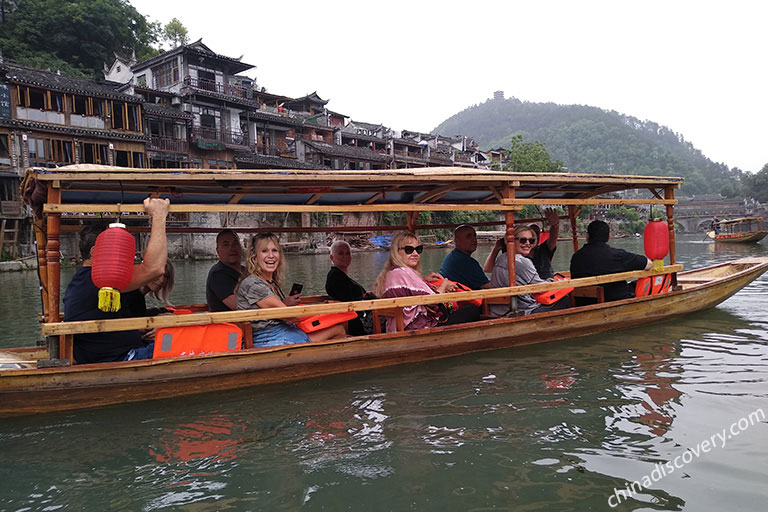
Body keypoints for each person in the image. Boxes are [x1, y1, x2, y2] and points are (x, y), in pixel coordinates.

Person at [63, 197, 170, 364]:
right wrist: (159, 215)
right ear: (94, 252)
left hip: (121, 352)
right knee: (191, 339)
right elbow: (154, 269)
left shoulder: (85, 279)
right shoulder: (97, 279)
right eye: (116, 247)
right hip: (122, 358)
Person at [236, 233, 346, 346]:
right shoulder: (253, 284)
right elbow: (290, 316)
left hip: (281, 332)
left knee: (337, 328)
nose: (271, 255)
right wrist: (327, 311)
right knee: (338, 330)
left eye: (274, 250)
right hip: (266, 339)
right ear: (254, 257)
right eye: (264, 251)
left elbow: (283, 313)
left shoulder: (270, 283)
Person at [373, 232, 480, 332]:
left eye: (418, 249)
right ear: (397, 252)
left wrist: (422, 280)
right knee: (472, 310)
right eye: (409, 250)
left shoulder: (393, 273)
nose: (415, 253)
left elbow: (411, 291)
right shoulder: (403, 272)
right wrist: (444, 283)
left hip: (403, 327)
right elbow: (433, 301)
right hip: (419, 328)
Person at [485, 225, 570, 317]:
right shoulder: (522, 261)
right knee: (564, 298)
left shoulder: (502, 258)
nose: (528, 243)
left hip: (498, 311)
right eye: (523, 240)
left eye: (531, 240)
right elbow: (541, 287)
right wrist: (552, 282)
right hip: (521, 311)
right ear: (512, 241)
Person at [570, 220, 652, 303]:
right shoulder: (617, 255)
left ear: (587, 236)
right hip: (613, 300)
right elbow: (648, 264)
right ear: (609, 237)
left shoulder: (576, 257)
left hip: (582, 302)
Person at [325, 240, 375, 336]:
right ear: (332, 257)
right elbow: (347, 298)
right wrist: (364, 296)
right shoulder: (335, 277)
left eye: (348, 253)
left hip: (357, 317)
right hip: (354, 321)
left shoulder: (342, 276)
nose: (345, 257)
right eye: (341, 253)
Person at [439, 224, 491, 289]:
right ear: (457, 241)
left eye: (474, 236)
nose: (474, 240)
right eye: (468, 237)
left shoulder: (452, 256)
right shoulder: (464, 262)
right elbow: (488, 286)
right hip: (461, 298)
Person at [206, 229, 243, 312]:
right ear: (218, 251)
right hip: (231, 323)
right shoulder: (217, 274)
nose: (232, 248)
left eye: (235, 243)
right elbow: (239, 306)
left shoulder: (247, 271)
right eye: (226, 245)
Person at [528, 207, 560, 279]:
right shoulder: (519, 255)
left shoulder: (543, 249)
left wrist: (555, 225)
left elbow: (553, 238)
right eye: (531, 233)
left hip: (549, 285)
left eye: (537, 233)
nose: (535, 236)